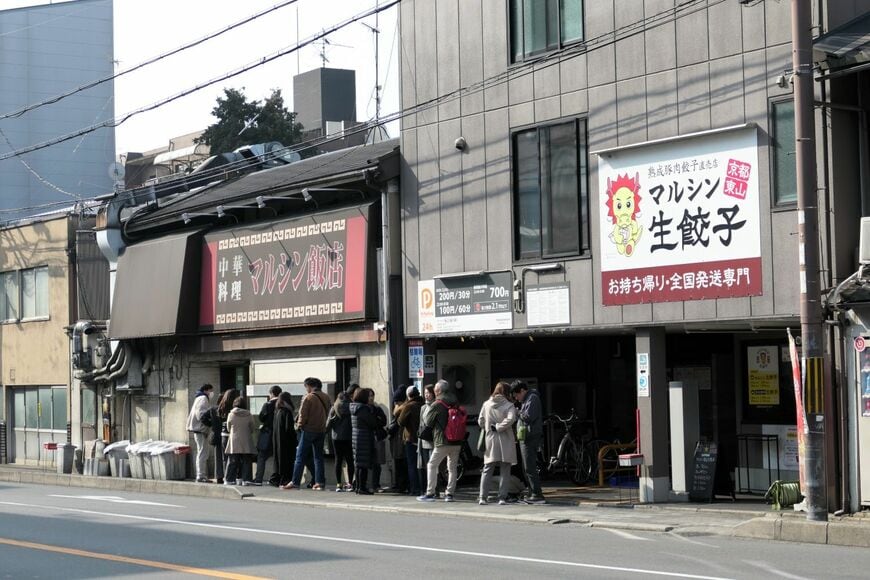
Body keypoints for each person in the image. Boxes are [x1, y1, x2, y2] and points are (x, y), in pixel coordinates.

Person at [284, 377, 331, 491]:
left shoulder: (308, 397)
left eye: (306, 387)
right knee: (318, 457)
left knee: (300, 457)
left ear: (310, 386)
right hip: (321, 430)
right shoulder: (326, 397)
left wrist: (299, 425)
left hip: (308, 430)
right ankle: (320, 482)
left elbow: (302, 414)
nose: (306, 389)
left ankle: (295, 482)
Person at [418, 379, 461, 503]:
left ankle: (430, 493)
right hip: (456, 440)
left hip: (442, 440)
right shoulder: (455, 401)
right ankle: (449, 494)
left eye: (436, 390)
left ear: (439, 390)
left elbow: (427, 420)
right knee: (452, 468)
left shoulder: (438, 404)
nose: (435, 392)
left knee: (431, 465)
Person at [477, 382, 518, 505]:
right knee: (505, 469)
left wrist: (489, 427)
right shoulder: (509, 405)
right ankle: (502, 498)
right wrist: (499, 427)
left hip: (490, 439)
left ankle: (482, 497)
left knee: (488, 468)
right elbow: (511, 419)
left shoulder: (486, 404)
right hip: (506, 439)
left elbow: (480, 421)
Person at [511, 380, 546, 504]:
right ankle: (532, 492)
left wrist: (518, 412)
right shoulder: (528, 399)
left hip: (530, 436)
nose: (516, 398)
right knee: (527, 466)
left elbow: (529, 416)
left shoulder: (532, 398)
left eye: (516, 395)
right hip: (526, 436)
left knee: (529, 466)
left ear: (522, 391)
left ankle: (537, 493)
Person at [350, 387, 378, 494]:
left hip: (357, 437)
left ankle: (358, 487)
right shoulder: (363, 409)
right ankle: (362, 487)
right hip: (364, 437)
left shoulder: (354, 407)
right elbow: (372, 422)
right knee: (363, 464)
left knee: (358, 464)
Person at [396, 385, 423, 496]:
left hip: (410, 438)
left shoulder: (408, 406)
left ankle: (415, 488)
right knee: (423, 465)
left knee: (412, 465)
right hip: (423, 438)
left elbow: (400, 422)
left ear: (408, 395)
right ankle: (423, 487)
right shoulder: (423, 404)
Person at [186, 383, 214, 483]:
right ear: (206, 390)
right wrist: (209, 424)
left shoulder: (199, 398)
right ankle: (201, 475)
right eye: (211, 391)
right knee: (203, 453)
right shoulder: (203, 398)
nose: (212, 393)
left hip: (198, 429)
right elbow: (201, 415)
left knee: (201, 452)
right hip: (200, 429)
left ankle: (201, 475)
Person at [254, 385, 281, 485]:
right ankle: (277, 479)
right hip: (279, 436)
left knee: (261, 457)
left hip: (267, 434)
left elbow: (261, 417)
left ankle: (258, 479)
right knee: (278, 458)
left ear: (272, 393)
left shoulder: (268, 404)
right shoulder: (283, 404)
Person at [225, 397, 256, 485]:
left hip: (234, 440)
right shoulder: (249, 414)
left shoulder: (231, 414)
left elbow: (228, 427)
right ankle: (246, 479)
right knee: (247, 460)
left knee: (232, 460)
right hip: (246, 439)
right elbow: (252, 427)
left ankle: (229, 479)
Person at [328, 389, 354, 491]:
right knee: (350, 460)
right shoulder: (352, 407)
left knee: (338, 460)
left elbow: (328, 425)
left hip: (336, 438)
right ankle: (350, 483)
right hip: (349, 437)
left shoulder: (334, 408)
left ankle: (339, 484)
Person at [271, 392, 297, 487]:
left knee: (278, 460)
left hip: (277, 440)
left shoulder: (277, 411)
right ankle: (285, 479)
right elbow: (289, 429)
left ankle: (278, 479)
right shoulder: (287, 412)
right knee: (287, 461)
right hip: (286, 442)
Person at [216, 388, 240, 484]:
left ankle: (227, 477)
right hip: (232, 434)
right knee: (233, 458)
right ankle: (231, 477)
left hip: (223, 434)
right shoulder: (234, 408)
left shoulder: (221, 406)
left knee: (226, 458)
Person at [388, 385, 409, 494]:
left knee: (401, 464)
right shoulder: (402, 408)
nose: (396, 405)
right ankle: (402, 484)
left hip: (399, 440)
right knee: (402, 463)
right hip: (400, 441)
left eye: (397, 402)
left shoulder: (399, 411)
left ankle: (401, 485)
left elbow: (394, 427)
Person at [417, 384, 436, 494]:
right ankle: (427, 489)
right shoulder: (423, 408)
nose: (427, 396)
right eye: (425, 394)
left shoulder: (436, 406)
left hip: (433, 440)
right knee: (426, 466)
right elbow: (421, 424)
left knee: (433, 467)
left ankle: (434, 489)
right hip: (424, 441)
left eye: (429, 393)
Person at [369, 390, 388, 492]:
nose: (371, 398)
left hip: (377, 438)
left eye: (373, 395)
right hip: (367, 438)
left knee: (377, 463)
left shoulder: (377, 409)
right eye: (369, 396)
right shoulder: (364, 409)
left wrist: (376, 421)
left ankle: (376, 485)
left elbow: (383, 421)